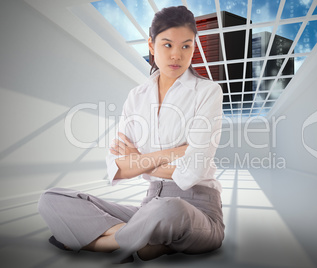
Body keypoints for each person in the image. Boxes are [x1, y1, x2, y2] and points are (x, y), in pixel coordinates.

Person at [37, 5, 224, 263]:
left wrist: (140, 161)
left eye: (186, 46)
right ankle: (144, 240)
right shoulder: (137, 96)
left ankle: (104, 242)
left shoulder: (208, 92)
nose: (177, 56)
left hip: (197, 209)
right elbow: (116, 165)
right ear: (151, 44)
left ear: (194, 47)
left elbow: (193, 172)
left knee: (169, 208)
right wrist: (173, 153)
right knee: (51, 199)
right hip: (147, 207)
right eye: (167, 45)